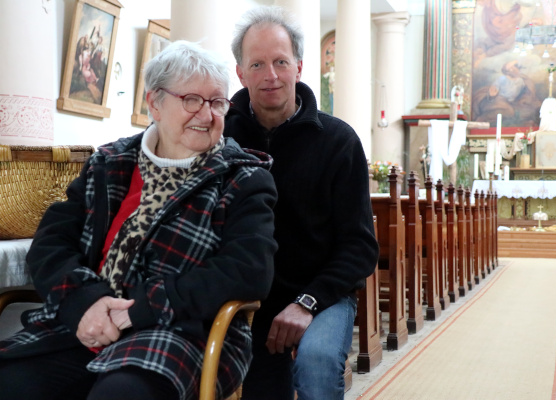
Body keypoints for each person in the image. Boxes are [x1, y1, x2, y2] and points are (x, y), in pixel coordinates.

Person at [0, 40, 278, 400]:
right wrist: (83, 303)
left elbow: (249, 270)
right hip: (86, 321)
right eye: (192, 100)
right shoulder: (109, 163)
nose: (207, 115)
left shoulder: (243, 178)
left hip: (181, 331)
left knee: (121, 394)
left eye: (217, 103)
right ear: (154, 103)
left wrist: (142, 309)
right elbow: (50, 243)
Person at [224, 6, 378, 400]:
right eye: (257, 64)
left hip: (321, 296)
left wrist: (307, 302)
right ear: (240, 73)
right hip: (243, 297)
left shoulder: (338, 141)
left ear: (299, 67)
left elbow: (360, 247)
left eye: (280, 62)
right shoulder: (219, 137)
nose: (270, 75)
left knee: (316, 364)